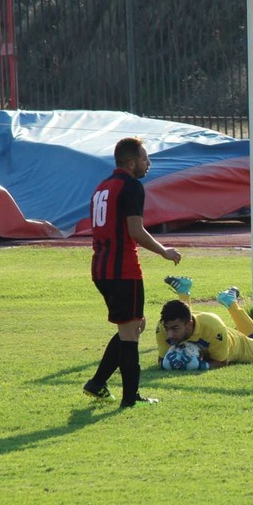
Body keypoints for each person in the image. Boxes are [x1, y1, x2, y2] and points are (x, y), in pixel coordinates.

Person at [83, 137, 182, 408]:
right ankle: (130, 399)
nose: (148, 163)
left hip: (101, 268)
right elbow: (135, 231)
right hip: (123, 270)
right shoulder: (131, 186)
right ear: (130, 162)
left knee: (136, 324)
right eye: (144, 158)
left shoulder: (102, 187)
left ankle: (97, 383)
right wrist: (164, 251)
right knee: (130, 332)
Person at [155, 276, 253, 368]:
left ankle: (230, 301)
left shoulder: (214, 328)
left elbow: (222, 362)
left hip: (234, 343)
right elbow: (162, 360)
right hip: (204, 332)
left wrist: (200, 366)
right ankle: (183, 292)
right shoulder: (161, 328)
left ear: (189, 324)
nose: (169, 335)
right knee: (180, 317)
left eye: (174, 329)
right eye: (167, 328)